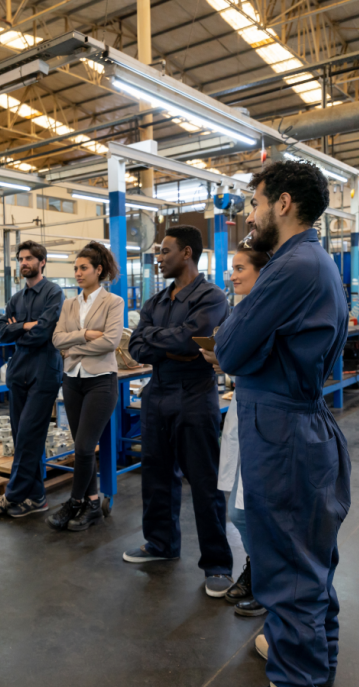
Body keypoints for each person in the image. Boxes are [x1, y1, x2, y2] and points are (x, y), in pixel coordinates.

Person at [215, 161, 350, 687]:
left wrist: (245, 345)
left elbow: (229, 350)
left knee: (291, 579)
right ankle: (313, 668)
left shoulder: (290, 268)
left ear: (283, 203)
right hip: (293, 429)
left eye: (255, 203)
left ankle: (298, 677)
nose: (250, 215)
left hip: (284, 439)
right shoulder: (311, 262)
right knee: (307, 574)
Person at [124, 224, 234, 599]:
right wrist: (170, 344)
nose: (158, 258)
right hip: (156, 391)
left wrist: (160, 341)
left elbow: (192, 340)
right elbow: (136, 347)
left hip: (195, 392)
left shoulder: (212, 297)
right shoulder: (156, 301)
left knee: (203, 479)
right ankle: (161, 543)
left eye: (165, 251)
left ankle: (217, 563)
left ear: (187, 253)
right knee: (155, 473)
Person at [200, 242, 272, 617]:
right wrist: (223, 361)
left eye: (241, 268)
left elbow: (263, 361)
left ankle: (268, 580)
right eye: (232, 269)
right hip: (244, 407)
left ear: (262, 271)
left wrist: (226, 360)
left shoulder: (268, 311)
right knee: (239, 509)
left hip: (266, 415)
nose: (233, 275)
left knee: (249, 510)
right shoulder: (242, 309)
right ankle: (258, 569)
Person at [0, 240, 64, 518]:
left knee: (30, 432)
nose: (24, 263)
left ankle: (13, 494)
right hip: (19, 371)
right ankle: (37, 497)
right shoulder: (16, 298)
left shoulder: (54, 293)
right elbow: (0, 331)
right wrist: (26, 326)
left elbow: (44, 332)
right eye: (20, 259)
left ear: (42, 262)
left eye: (29, 258)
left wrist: (17, 328)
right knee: (22, 437)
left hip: (44, 371)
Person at [47, 241, 124, 532]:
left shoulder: (113, 302)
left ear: (98, 270)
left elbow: (110, 342)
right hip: (72, 379)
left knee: (82, 446)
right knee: (83, 447)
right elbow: (57, 339)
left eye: (83, 268)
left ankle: (74, 501)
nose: (78, 273)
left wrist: (73, 347)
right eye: (76, 268)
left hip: (101, 380)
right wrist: (85, 334)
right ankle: (93, 505)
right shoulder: (69, 304)